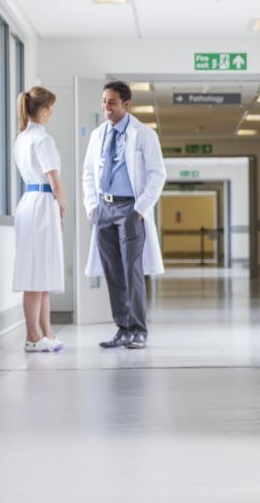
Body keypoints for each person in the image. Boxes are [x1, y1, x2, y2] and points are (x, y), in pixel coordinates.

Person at [82, 81, 166, 350]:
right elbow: (88, 173)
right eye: (104, 101)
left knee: (132, 271)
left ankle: (138, 330)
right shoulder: (97, 135)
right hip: (104, 210)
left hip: (130, 210)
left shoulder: (144, 134)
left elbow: (157, 174)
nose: (106, 107)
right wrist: (92, 206)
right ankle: (123, 329)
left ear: (126, 105)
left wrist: (140, 209)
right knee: (113, 273)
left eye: (112, 102)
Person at [13, 87, 66, 352]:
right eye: (51, 109)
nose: (52, 114)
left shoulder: (22, 138)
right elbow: (54, 181)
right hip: (43, 204)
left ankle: (46, 332)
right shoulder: (43, 140)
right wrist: (63, 205)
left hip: (30, 203)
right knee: (36, 275)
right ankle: (33, 336)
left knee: (41, 273)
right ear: (43, 110)